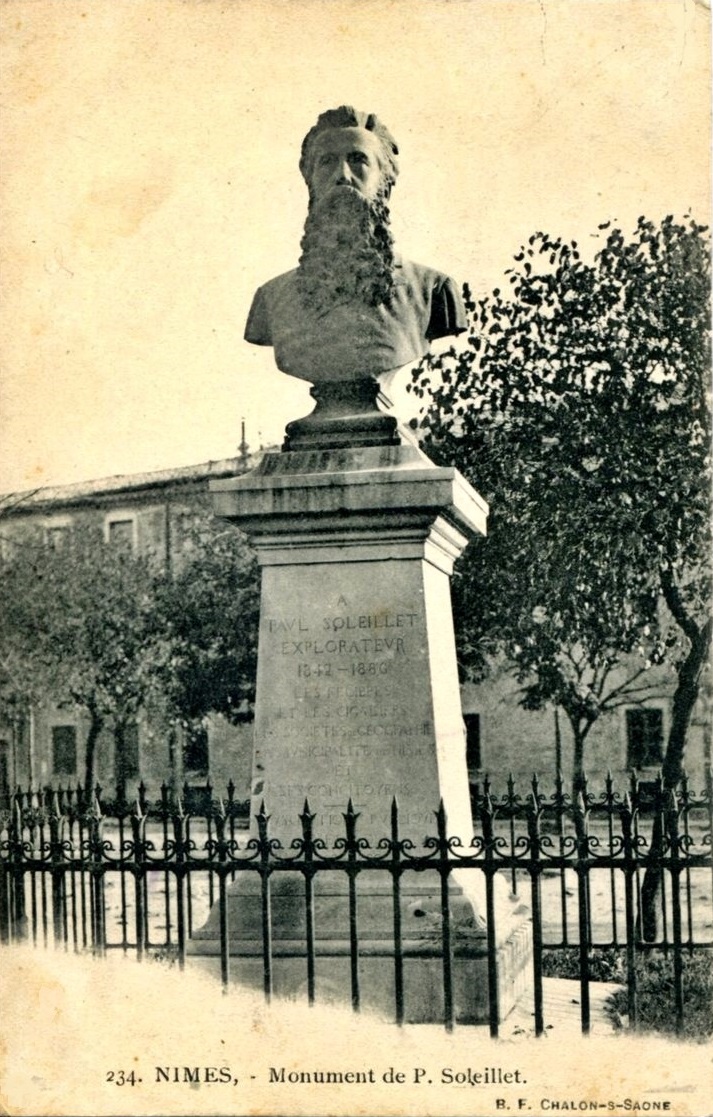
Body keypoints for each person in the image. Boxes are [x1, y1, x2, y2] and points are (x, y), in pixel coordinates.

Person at [244, 106, 466, 385]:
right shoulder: (272, 299)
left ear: (384, 181)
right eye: (327, 162)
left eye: (358, 160)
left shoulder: (432, 290)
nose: (343, 176)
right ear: (310, 180)